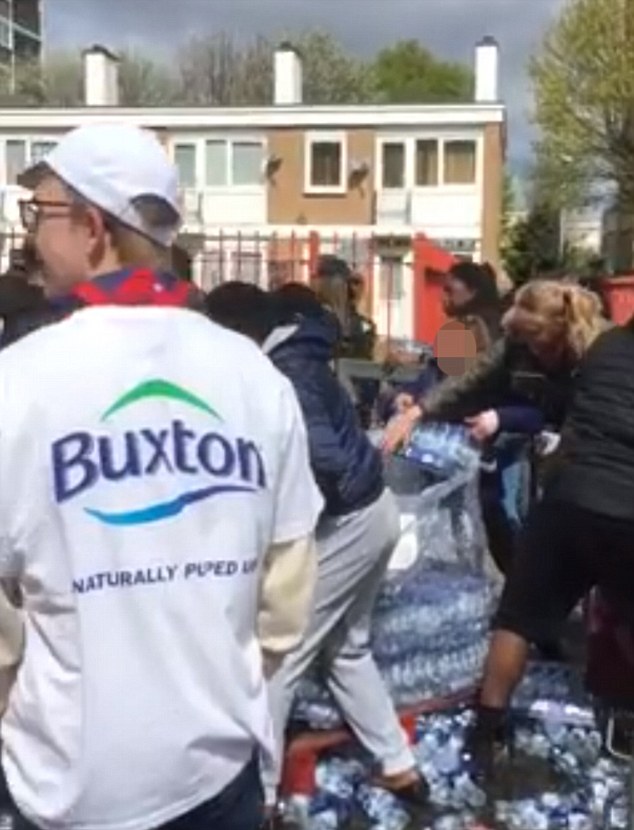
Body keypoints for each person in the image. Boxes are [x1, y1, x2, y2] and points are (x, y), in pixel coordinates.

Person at [0, 123, 323, 830]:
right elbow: (288, 591)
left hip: (74, 787)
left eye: (40, 213)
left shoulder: (18, 383)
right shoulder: (253, 376)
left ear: (91, 228)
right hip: (218, 771)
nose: (29, 238)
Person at [206, 281, 430, 825]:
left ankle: (259, 793)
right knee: (346, 650)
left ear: (237, 332)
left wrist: (285, 521)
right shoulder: (297, 358)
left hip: (348, 518)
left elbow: (319, 459)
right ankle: (400, 766)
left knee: (281, 654)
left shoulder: (283, 373)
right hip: (372, 511)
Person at [463, 291, 634, 786]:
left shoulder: (603, 348)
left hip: (569, 499)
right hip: (628, 508)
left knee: (516, 619)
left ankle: (485, 735)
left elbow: (561, 406)